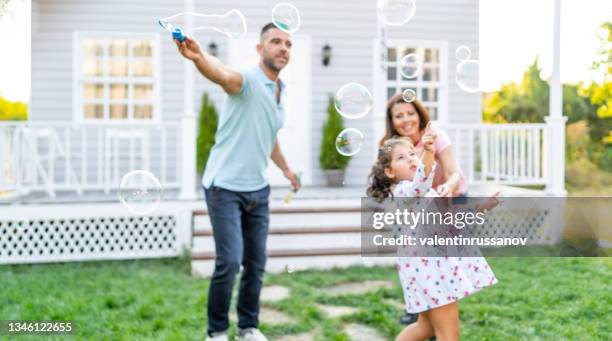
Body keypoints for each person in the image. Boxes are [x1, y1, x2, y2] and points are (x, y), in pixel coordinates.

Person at [174, 23, 301, 341]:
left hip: (258, 189)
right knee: (229, 262)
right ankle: (216, 332)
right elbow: (220, 74)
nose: (283, 48)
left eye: (287, 43)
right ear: (260, 49)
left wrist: (286, 170)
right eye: (275, 42)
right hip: (225, 187)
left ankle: (248, 326)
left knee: (256, 263)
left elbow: (269, 136)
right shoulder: (246, 80)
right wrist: (198, 57)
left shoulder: (280, 91)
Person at [367, 136, 499, 341]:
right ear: (390, 172)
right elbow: (421, 180)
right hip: (433, 270)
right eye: (402, 157)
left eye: (412, 153)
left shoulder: (421, 193)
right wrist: (428, 152)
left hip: (427, 269)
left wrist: (481, 208)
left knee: (425, 327)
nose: (411, 158)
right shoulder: (405, 191)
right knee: (449, 334)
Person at [379, 93, 469, 327]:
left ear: (419, 115)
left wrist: (447, 188)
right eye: (398, 116)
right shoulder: (393, 146)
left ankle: (437, 315)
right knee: (424, 260)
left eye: (410, 113)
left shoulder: (435, 135)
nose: (406, 119)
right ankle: (426, 315)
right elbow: (409, 185)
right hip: (419, 207)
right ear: (391, 121)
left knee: (444, 263)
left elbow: (453, 173)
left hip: (449, 197)